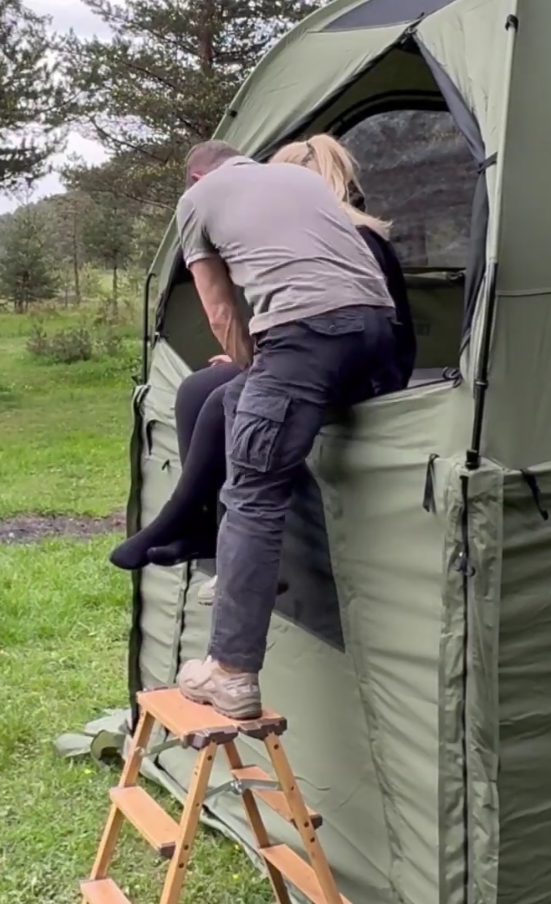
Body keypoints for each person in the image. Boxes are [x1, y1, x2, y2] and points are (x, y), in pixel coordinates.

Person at [168, 137, 407, 719]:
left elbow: (221, 309)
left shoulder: (197, 202)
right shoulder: (302, 184)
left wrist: (257, 365)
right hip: (380, 337)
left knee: (251, 493)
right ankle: (243, 576)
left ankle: (230, 671)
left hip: (305, 339)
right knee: (241, 403)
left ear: (198, 177)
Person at [109, 135, 416, 582]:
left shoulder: (355, 238)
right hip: (308, 356)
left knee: (225, 403)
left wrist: (257, 369)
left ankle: (200, 525)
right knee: (199, 388)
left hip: (362, 368)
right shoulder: (299, 236)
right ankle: (207, 524)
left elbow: (353, 330)